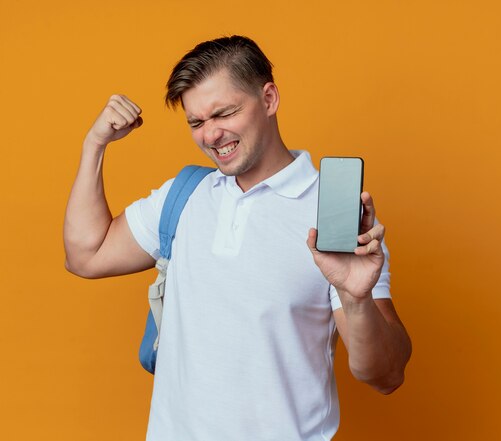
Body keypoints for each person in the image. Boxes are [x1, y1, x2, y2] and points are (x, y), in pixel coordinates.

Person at [63, 35, 411, 440]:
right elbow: (85, 255)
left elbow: (385, 374)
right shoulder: (184, 195)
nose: (211, 135)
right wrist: (95, 145)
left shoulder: (331, 215)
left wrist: (355, 298)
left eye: (224, 113)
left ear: (268, 99)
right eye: (196, 122)